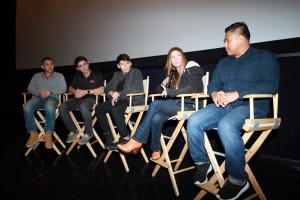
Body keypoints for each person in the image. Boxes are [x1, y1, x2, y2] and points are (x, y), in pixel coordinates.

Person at [187, 22, 280, 200]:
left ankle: (238, 179)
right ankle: (202, 162)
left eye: (227, 40)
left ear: (241, 39)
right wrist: (214, 94)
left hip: (251, 106)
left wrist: (237, 94)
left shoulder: (264, 57)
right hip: (224, 105)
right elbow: (213, 84)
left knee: (226, 126)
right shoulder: (223, 62)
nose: (225, 44)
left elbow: (272, 85)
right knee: (194, 120)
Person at [117, 47, 204, 160]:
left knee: (155, 105)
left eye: (178, 55)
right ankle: (156, 149)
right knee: (156, 118)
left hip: (191, 105)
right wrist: (163, 84)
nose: (176, 59)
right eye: (173, 57)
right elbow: (160, 91)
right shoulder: (174, 73)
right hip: (178, 104)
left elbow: (192, 89)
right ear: (170, 61)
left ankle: (136, 140)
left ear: (183, 57)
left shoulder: (191, 66)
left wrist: (170, 92)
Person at [95, 54, 144, 150]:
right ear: (118, 66)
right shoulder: (117, 74)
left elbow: (137, 88)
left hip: (131, 100)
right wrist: (112, 92)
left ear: (131, 63)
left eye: (127, 63)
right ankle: (109, 136)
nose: (125, 66)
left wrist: (119, 94)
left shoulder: (135, 72)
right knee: (99, 108)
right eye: (122, 64)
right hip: (118, 100)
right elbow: (107, 88)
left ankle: (125, 137)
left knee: (115, 109)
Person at [59, 56, 105, 145]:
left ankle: (88, 133)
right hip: (79, 99)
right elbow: (70, 88)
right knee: (62, 107)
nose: (83, 67)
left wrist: (86, 91)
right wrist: (74, 91)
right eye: (80, 66)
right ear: (77, 68)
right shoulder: (77, 76)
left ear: (88, 64)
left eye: (84, 64)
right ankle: (73, 130)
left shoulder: (96, 74)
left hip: (92, 99)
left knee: (83, 106)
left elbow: (102, 90)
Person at [23, 57, 67, 149]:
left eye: (51, 64)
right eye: (47, 64)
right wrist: (39, 92)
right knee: (27, 107)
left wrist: (49, 92)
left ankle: (48, 133)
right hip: (39, 97)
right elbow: (30, 88)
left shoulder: (59, 76)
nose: (50, 66)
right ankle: (33, 132)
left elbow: (63, 88)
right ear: (42, 66)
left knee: (49, 107)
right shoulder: (36, 76)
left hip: (52, 98)